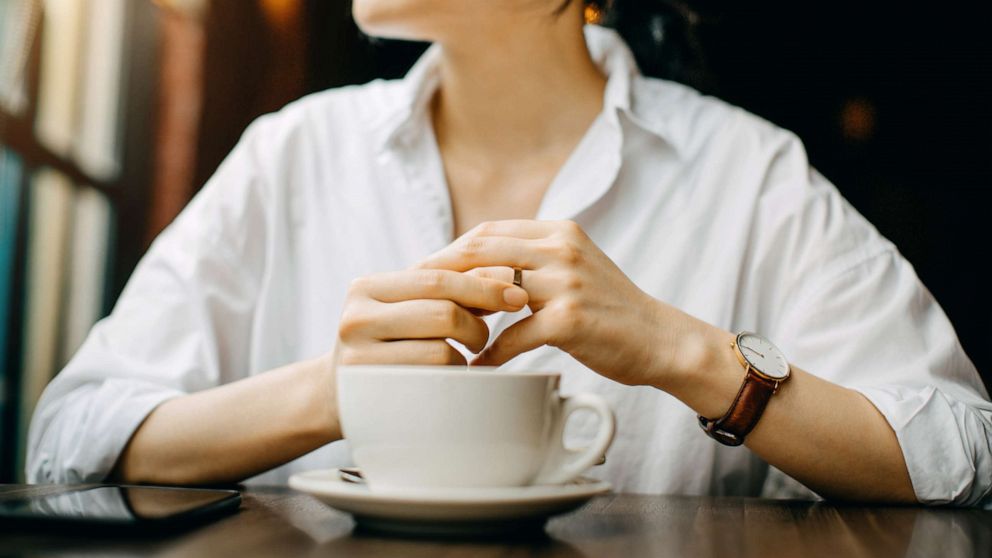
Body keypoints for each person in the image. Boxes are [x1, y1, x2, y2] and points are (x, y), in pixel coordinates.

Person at [28, 0, 991, 505]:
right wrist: (334, 392)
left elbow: (964, 448)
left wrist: (682, 352)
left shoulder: (747, 168)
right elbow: (69, 441)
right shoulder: (294, 151)